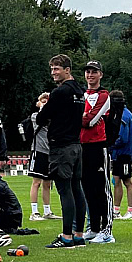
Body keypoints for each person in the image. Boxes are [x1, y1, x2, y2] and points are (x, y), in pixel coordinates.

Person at [35, 55, 87, 249]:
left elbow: (42, 118)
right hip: (76, 144)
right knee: (76, 189)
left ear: (67, 69)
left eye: (57, 68)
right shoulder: (79, 91)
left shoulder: (60, 92)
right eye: (52, 69)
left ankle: (66, 237)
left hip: (61, 146)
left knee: (65, 191)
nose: (53, 73)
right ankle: (78, 235)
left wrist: (43, 106)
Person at [80, 60, 115, 244]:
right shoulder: (81, 94)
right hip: (82, 146)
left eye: (94, 72)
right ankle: (93, 228)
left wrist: (83, 117)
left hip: (98, 145)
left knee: (102, 188)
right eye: (88, 72)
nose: (90, 75)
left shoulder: (104, 96)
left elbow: (90, 121)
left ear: (100, 74)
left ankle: (106, 230)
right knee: (87, 189)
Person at [21, 93, 60, 221]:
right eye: (43, 101)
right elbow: (40, 119)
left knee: (47, 183)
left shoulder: (55, 118)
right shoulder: (35, 116)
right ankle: (34, 212)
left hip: (50, 153)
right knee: (36, 182)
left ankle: (47, 211)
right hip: (39, 151)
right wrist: (43, 107)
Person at [109, 90, 132, 220]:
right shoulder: (126, 114)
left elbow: (122, 138)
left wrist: (109, 145)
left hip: (123, 154)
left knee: (127, 181)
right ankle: (116, 210)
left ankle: (131, 211)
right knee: (116, 180)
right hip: (119, 154)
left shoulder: (123, 116)